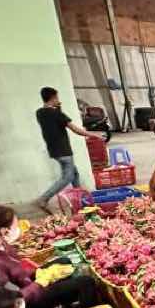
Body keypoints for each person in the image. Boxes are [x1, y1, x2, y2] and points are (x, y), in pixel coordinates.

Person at [0, 202, 100, 308]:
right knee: (85, 283)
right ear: (3, 231)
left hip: (21, 284)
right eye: (15, 225)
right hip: (19, 306)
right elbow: (12, 300)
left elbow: (14, 269)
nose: (19, 229)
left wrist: (37, 272)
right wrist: (40, 283)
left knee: (63, 261)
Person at [35, 86, 101, 214]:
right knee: (68, 176)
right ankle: (44, 198)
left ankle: (81, 199)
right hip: (63, 150)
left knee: (74, 174)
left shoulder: (40, 113)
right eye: (57, 98)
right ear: (53, 98)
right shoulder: (57, 114)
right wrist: (93, 134)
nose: (58, 100)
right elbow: (75, 129)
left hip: (54, 150)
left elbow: (54, 119)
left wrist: (58, 108)